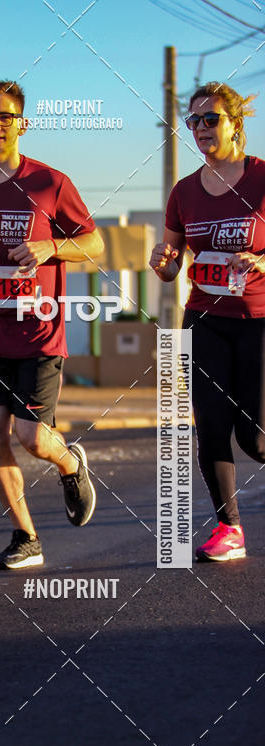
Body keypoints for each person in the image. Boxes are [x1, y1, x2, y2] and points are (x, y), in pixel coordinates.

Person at [0, 80, 104, 570]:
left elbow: (94, 244)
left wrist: (51, 246)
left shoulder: (49, 183)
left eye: (5, 116)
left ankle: (71, 462)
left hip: (38, 332)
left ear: (22, 123)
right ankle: (25, 536)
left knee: (33, 439)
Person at [150, 82, 265, 562]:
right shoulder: (185, 191)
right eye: (193, 121)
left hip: (259, 319)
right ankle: (229, 529)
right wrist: (164, 262)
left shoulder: (261, 177)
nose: (199, 128)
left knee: (255, 437)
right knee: (210, 425)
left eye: (210, 118)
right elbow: (174, 261)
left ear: (235, 123)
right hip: (204, 317)